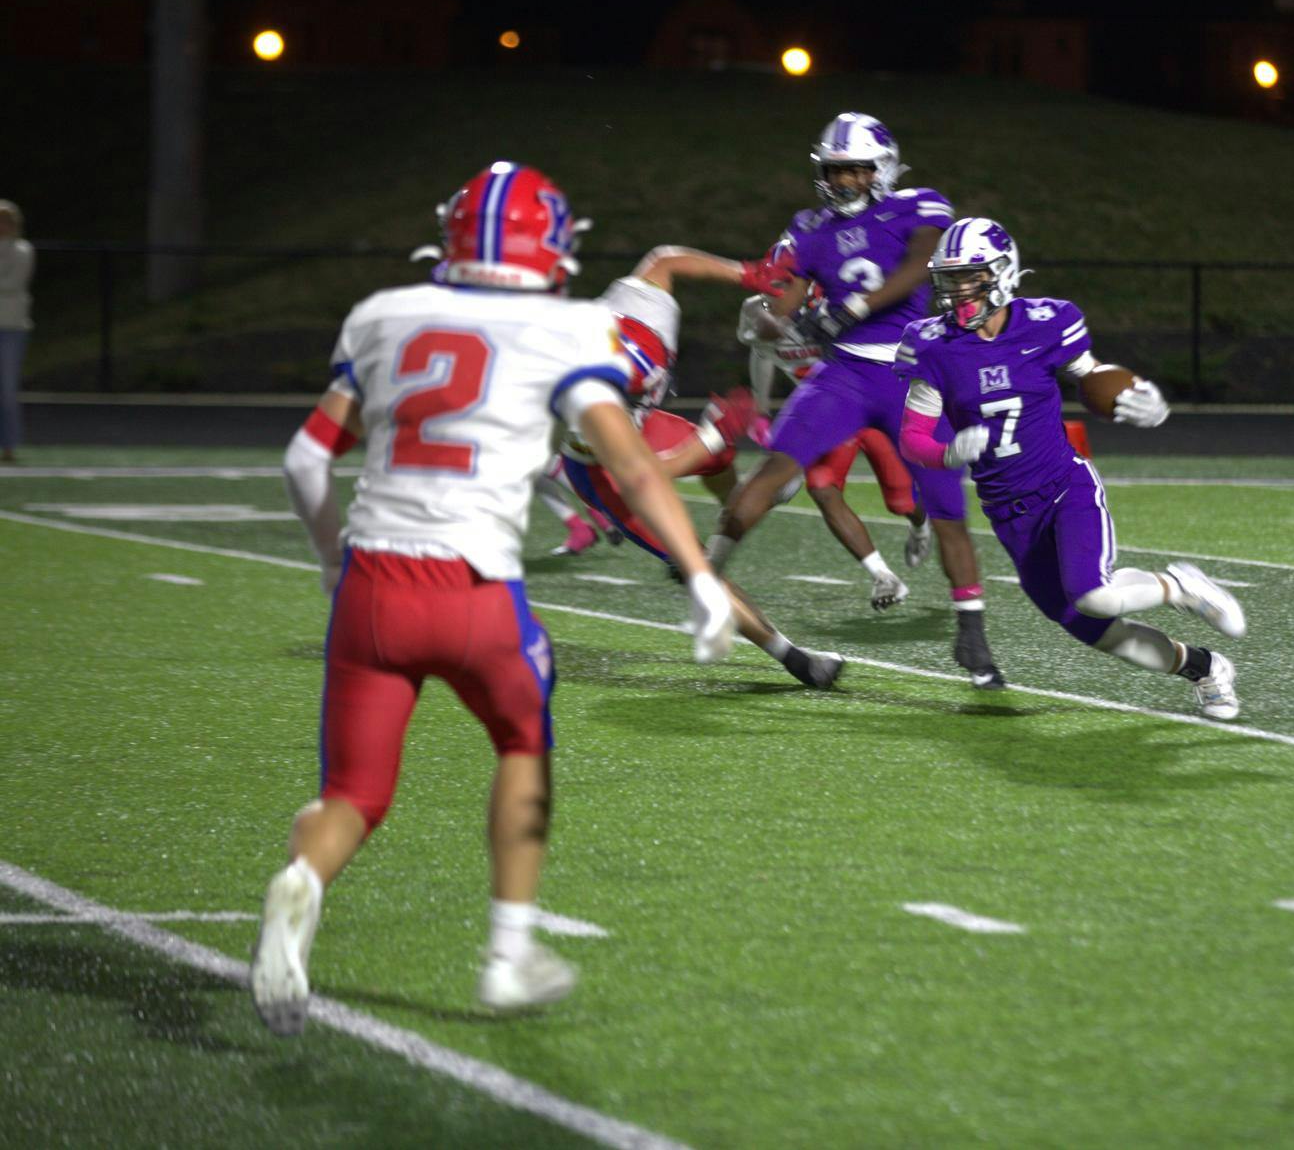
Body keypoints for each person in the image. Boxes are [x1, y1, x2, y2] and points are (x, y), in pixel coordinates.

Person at [253, 162, 737, 1037]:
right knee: (523, 737)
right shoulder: (571, 326)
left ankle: (305, 879)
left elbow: (304, 460)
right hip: (473, 590)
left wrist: (333, 565)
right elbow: (628, 464)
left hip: (370, 587)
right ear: (551, 241)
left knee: (354, 794)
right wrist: (701, 578)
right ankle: (508, 954)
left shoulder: (383, 315)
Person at [896, 218, 1246, 720]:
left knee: (1096, 596)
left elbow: (1092, 376)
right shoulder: (932, 344)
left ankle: (1178, 584)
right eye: (949, 280)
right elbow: (913, 437)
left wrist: (1139, 396)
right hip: (1009, 513)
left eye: (969, 278)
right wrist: (947, 453)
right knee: (1095, 629)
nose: (958, 293)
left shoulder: (1046, 321)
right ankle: (1207, 669)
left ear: (1002, 273)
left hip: (1064, 488)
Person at [706, 114, 1008, 687]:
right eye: (835, 170)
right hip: (843, 374)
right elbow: (788, 302)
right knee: (776, 469)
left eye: (855, 170)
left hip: (912, 374)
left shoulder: (918, 206)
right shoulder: (809, 226)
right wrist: (765, 322)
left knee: (945, 507)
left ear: (883, 170)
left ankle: (973, 633)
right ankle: (707, 568)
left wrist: (853, 309)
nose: (843, 181)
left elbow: (921, 264)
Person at [554, 261, 845, 689]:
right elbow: (643, 476)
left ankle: (736, 503)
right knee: (698, 568)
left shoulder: (639, 309)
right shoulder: (578, 410)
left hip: (643, 428)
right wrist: (712, 436)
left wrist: (747, 274)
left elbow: (666, 259)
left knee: (717, 454)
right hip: (603, 472)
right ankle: (796, 660)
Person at [644, 240, 931, 611]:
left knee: (901, 500)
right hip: (823, 414)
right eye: (773, 283)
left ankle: (920, 523)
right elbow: (762, 354)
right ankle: (883, 576)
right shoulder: (757, 313)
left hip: (866, 406)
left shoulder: (839, 307)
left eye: (788, 283)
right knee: (808, 486)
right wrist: (761, 409)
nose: (778, 294)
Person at [0, 200, 32, 464]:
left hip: (12, 327)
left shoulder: (23, 250)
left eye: (5, 220)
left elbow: (12, 283)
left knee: (8, 390)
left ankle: (9, 445)